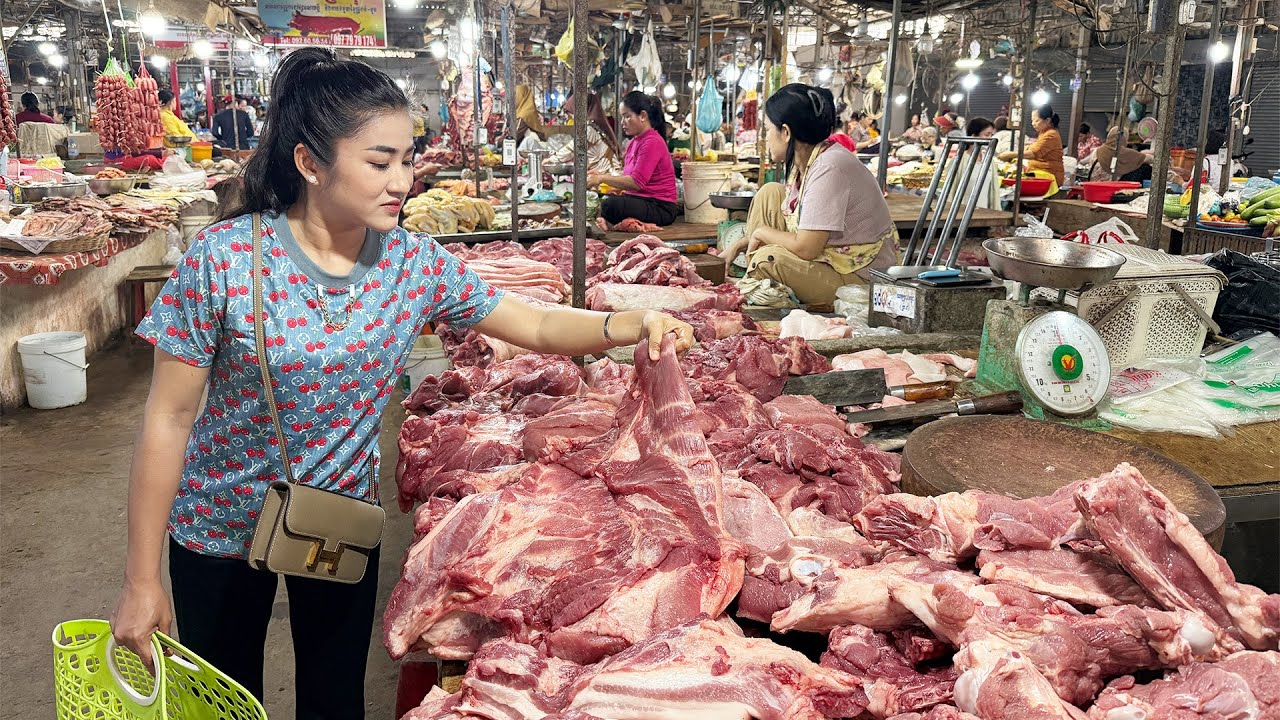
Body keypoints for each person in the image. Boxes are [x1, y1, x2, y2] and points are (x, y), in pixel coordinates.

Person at [110, 47, 695, 719]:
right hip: (217, 528)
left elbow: (530, 324)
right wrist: (140, 577)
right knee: (216, 706)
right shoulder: (224, 260)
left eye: (408, 160)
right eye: (379, 162)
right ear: (309, 163)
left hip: (333, 525)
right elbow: (169, 419)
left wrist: (631, 321)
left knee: (334, 703)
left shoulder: (413, 263)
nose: (402, 181)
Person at [725, 83, 898, 305]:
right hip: (831, 259)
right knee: (770, 193)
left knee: (768, 261)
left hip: (860, 282)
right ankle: (754, 276)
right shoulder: (808, 160)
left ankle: (757, 284)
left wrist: (760, 232)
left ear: (786, 132)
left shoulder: (830, 166)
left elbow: (806, 248)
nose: (765, 138)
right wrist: (744, 241)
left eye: (767, 129)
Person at [586, 91, 679, 227]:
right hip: (642, 200)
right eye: (622, 117)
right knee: (602, 199)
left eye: (627, 117)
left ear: (642, 116)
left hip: (660, 207)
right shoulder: (634, 142)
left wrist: (602, 178)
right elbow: (628, 177)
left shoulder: (652, 142)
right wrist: (606, 180)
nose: (623, 122)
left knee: (610, 205)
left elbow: (636, 183)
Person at [547, 92, 623, 176]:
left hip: (608, 178)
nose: (572, 117)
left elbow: (573, 148)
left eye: (572, 113)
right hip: (605, 174)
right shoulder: (595, 124)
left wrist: (550, 160)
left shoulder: (590, 129)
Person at [1000, 104, 1064, 186]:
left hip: (1048, 175)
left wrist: (1010, 154)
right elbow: (1032, 149)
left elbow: (1033, 153)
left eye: (1037, 121)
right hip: (1037, 171)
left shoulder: (1051, 135)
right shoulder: (1043, 133)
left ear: (1047, 120)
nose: (1033, 124)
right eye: (1032, 121)